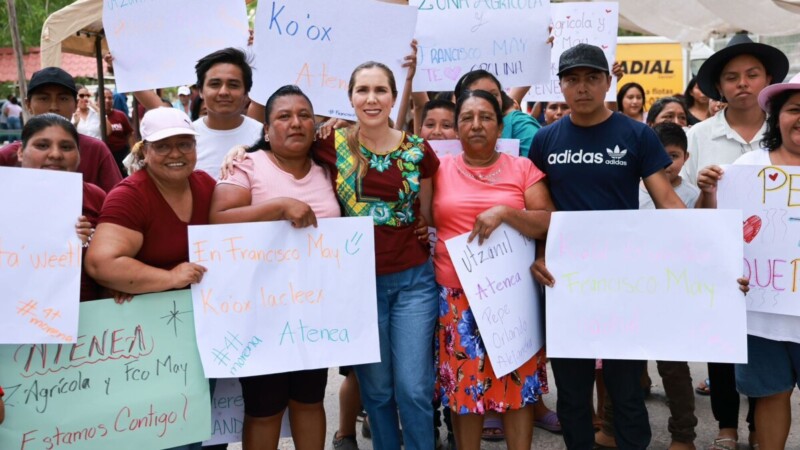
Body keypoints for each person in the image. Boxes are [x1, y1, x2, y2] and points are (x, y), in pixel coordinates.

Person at [529, 43, 687, 450]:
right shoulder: (544, 141)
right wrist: (539, 256)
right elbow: (536, 212)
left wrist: (712, 255)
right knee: (572, 395)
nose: (582, 88)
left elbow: (667, 201)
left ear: (607, 82)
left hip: (623, 283)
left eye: (591, 78)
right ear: (561, 85)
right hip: (566, 285)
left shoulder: (636, 134)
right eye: (572, 79)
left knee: (627, 392)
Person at [317, 61, 440, 450]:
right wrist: (240, 149)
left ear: (393, 96)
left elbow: (430, 215)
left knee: (415, 388)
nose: (371, 99)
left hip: (414, 283)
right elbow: (274, 144)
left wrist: (423, 226)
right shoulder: (328, 144)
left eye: (380, 90)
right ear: (350, 98)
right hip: (358, 287)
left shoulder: (419, 149)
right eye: (362, 90)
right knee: (378, 391)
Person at [211, 86, 335, 450]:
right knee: (264, 406)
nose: (295, 123)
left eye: (304, 115)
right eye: (283, 116)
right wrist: (279, 206)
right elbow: (217, 221)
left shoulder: (330, 168)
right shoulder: (247, 164)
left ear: (316, 125)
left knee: (310, 399)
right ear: (266, 130)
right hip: (260, 312)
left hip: (315, 311)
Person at [683, 33, 789, 450]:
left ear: (767, 80)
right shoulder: (698, 136)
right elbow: (685, 201)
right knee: (723, 343)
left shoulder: (784, 129)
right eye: (731, 77)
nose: (742, 83)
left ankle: (757, 425)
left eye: (752, 74)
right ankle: (727, 424)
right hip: (720, 256)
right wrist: (706, 190)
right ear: (719, 87)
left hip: (777, 261)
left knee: (767, 345)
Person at [85, 107, 214, 450]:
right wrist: (168, 278)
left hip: (200, 336)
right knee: (164, 437)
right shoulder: (131, 195)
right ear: (143, 150)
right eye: (163, 146)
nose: (176, 154)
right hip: (147, 344)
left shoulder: (206, 185)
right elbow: (101, 263)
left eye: (185, 144)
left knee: (197, 430)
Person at [433, 88, 553, 450]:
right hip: (457, 300)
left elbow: (548, 220)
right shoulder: (439, 170)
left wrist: (505, 213)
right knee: (466, 393)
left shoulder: (523, 169)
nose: (476, 125)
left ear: (501, 126)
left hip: (511, 297)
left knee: (517, 388)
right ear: (456, 129)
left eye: (485, 117)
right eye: (467, 118)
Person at [596, 122, 699, 450]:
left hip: (672, 293)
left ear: (686, 156)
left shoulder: (694, 194)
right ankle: (611, 428)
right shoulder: (630, 189)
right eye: (660, 157)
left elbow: (703, 238)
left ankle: (683, 435)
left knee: (674, 368)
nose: (667, 164)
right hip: (629, 290)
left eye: (673, 156)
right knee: (621, 363)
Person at [133, 48, 263, 178]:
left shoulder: (266, 137)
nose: (223, 92)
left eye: (233, 85)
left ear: (246, 93)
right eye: (215, 84)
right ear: (200, 91)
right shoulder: (183, 136)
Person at [17, 114, 106, 301]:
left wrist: (95, 242)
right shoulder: (6, 198)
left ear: (79, 155)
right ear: (20, 152)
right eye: (42, 145)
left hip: (88, 317)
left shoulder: (96, 198)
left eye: (66, 147)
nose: (56, 154)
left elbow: (111, 269)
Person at [0, 67, 122, 192]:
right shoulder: (6, 156)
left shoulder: (96, 150)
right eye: (44, 98)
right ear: (28, 105)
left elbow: (118, 201)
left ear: (75, 105)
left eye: (63, 99)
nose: (53, 107)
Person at [453, 70, 541, 157]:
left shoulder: (519, 123)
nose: (490, 100)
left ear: (500, 129)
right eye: (480, 95)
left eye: (494, 95)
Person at [103, 88, 134, 177]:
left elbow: (129, 133)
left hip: (121, 154)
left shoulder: (120, 115)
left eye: (110, 98)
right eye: (104, 97)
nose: (107, 100)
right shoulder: (94, 116)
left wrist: (132, 152)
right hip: (106, 154)